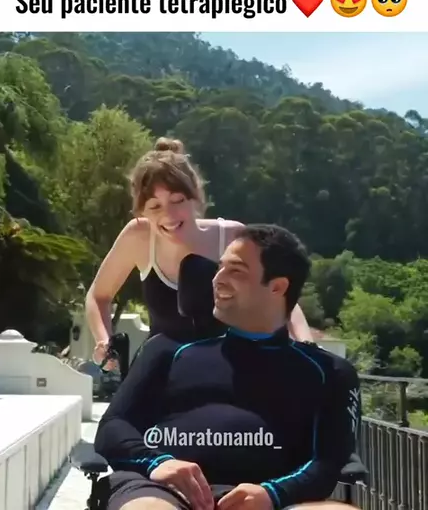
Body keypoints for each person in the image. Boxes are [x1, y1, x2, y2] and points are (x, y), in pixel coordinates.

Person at [94, 223, 362, 510]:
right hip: (161, 489)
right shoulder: (167, 350)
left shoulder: (330, 373)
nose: (217, 279)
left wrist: (272, 494)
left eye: (236, 271)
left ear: (277, 287)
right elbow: (112, 426)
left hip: (272, 499)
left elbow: (327, 463)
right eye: (220, 267)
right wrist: (157, 462)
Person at [85, 138, 313, 366]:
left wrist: (306, 344)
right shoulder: (138, 237)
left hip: (227, 370)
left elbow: (279, 296)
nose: (169, 215)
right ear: (141, 211)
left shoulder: (232, 238)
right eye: (155, 206)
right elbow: (98, 296)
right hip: (161, 369)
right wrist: (105, 343)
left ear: (194, 196)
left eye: (177, 201)